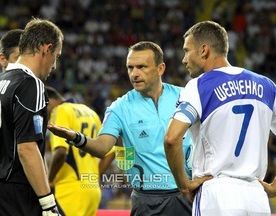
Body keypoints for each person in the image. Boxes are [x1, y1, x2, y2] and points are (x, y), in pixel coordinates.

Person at [47, 41, 198, 215]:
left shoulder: (186, 96)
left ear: (160, 68)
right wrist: (75, 137)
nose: (134, 74)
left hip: (187, 195)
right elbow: (102, 148)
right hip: (146, 202)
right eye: (130, 67)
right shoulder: (119, 107)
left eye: (141, 67)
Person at [164, 20, 276, 216]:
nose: (183, 59)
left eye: (187, 51)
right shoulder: (267, 86)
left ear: (204, 50)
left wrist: (184, 185)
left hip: (218, 193)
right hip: (257, 198)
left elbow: (171, 139)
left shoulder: (199, 86)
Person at [0, 18, 64, 216]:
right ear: (46, 49)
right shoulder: (31, 84)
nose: (54, 65)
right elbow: (27, 148)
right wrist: (48, 204)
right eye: (56, 56)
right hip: (17, 190)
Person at [45, 86, 114, 216]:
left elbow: (60, 152)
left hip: (69, 192)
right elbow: (110, 153)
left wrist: (48, 181)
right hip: (92, 191)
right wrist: (95, 175)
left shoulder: (60, 111)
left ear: (47, 102)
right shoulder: (90, 112)